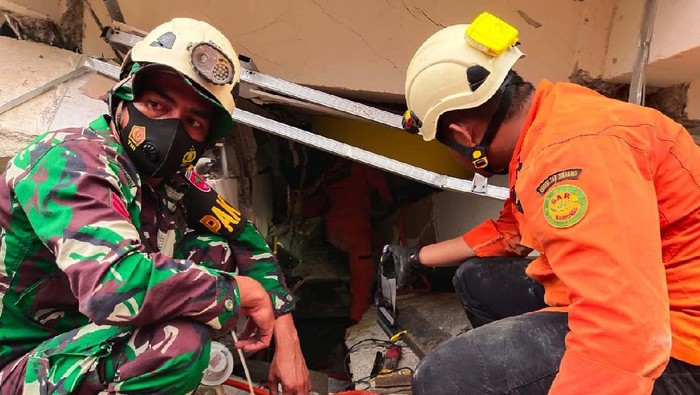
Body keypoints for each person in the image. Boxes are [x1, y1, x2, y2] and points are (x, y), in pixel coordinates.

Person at [383, 11, 700, 394]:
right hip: (637, 294)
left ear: (463, 135)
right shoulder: (547, 123)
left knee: (447, 376)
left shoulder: (570, 154)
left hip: (676, 338)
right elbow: (510, 231)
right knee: (475, 278)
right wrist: (416, 258)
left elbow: (624, 328)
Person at [0, 18, 309, 394]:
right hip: (14, 366)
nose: (170, 128)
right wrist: (240, 292)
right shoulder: (70, 161)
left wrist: (288, 339)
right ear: (123, 96)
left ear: (205, 139)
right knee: (176, 343)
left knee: (216, 253)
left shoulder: (171, 181)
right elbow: (113, 287)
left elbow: (245, 240)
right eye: (156, 104)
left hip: (74, 343)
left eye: (193, 121)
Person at [303, 157, 393, 322]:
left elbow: (317, 203)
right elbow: (386, 196)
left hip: (333, 228)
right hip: (354, 229)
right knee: (362, 283)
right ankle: (357, 321)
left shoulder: (331, 171)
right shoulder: (363, 166)